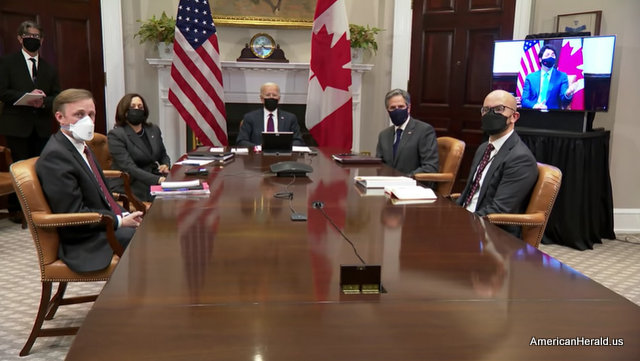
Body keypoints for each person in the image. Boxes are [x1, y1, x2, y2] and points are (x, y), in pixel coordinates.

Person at [36, 89, 143, 273]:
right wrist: (118, 221)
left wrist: (123, 215)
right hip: (85, 239)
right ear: (60, 117)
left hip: (101, 223)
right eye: (79, 114)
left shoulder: (80, 145)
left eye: (91, 114)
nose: (88, 121)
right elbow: (73, 214)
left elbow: (100, 192)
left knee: (152, 231)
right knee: (145, 241)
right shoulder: (56, 156)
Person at [0, 20, 61, 222]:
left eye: (36, 37)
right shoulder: (8, 63)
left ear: (42, 40)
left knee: (40, 167)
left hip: (42, 125)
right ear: (20, 38)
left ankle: (39, 209)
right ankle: (17, 209)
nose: (32, 40)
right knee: (19, 168)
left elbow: (57, 97)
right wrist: (27, 96)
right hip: (17, 125)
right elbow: (3, 92)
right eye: (29, 36)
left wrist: (42, 102)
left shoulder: (50, 69)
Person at [457, 90, 538, 234]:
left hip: (491, 232)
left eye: (499, 109)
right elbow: (469, 192)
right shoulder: (483, 148)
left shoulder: (520, 158)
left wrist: (461, 222)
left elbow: (499, 210)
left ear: (514, 116)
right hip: (467, 220)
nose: (490, 114)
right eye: (486, 110)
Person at [107, 93, 171, 202]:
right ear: (124, 111)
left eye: (140, 107)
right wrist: (159, 179)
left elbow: (163, 155)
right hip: (130, 183)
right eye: (132, 107)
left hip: (152, 178)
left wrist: (165, 165)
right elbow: (129, 167)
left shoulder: (153, 129)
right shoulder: (116, 135)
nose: (137, 109)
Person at [375, 89, 439, 178]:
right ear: (388, 111)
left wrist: (406, 178)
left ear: (408, 108)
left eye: (401, 107)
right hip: (388, 185)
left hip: (413, 186)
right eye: (393, 108)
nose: (397, 110)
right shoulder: (384, 135)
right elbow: (379, 166)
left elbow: (430, 167)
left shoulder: (424, 130)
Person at [236, 82, 304, 147]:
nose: (271, 97)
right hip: (258, 156)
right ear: (262, 99)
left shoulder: (290, 118)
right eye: (268, 95)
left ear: (279, 99)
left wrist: (285, 147)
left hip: (283, 156)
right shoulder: (250, 117)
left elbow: (298, 141)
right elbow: (241, 141)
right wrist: (258, 148)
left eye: (274, 95)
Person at [521, 44, 577, 110]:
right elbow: (524, 100)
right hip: (534, 111)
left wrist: (568, 93)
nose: (551, 57)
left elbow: (564, 101)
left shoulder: (562, 76)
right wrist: (535, 106)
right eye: (547, 55)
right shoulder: (530, 77)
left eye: (553, 55)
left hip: (552, 114)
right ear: (540, 59)